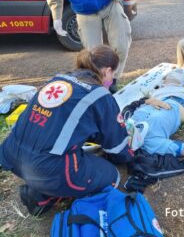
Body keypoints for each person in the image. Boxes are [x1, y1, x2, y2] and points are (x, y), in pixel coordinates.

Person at [0, 46, 134, 216]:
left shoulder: (58, 79)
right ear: (107, 71)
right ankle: (48, 195)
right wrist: (129, 154)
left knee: (69, 157)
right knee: (111, 176)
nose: (112, 79)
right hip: (45, 168)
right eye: (113, 74)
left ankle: (43, 188)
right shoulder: (100, 95)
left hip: (12, 155)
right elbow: (116, 147)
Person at [38, 0, 132, 93]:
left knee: (121, 45)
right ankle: (101, 89)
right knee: (94, 58)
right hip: (84, 8)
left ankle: (113, 81)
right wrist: (56, 15)